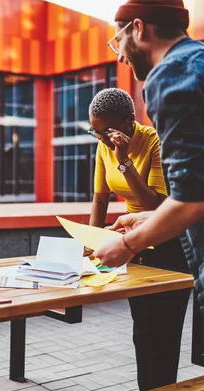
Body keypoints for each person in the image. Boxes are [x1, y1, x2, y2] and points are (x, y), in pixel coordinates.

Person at [94, 1, 204, 304]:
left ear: (138, 28)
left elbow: (192, 199)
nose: (119, 56)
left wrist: (127, 245)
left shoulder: (171, 75)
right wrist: (148, 219)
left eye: (119, 40)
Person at [87, 87, 191, 391]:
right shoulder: (104, 144)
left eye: (106, 131)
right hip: (134, 244)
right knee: (143, 330)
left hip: (168, 244)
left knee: (164, 333)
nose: (103, 139)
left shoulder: (156, 142)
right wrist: (92, 239)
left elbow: (156, 206)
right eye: (95, 133)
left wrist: (125, 161)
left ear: (129, 121)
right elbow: (100, 199)